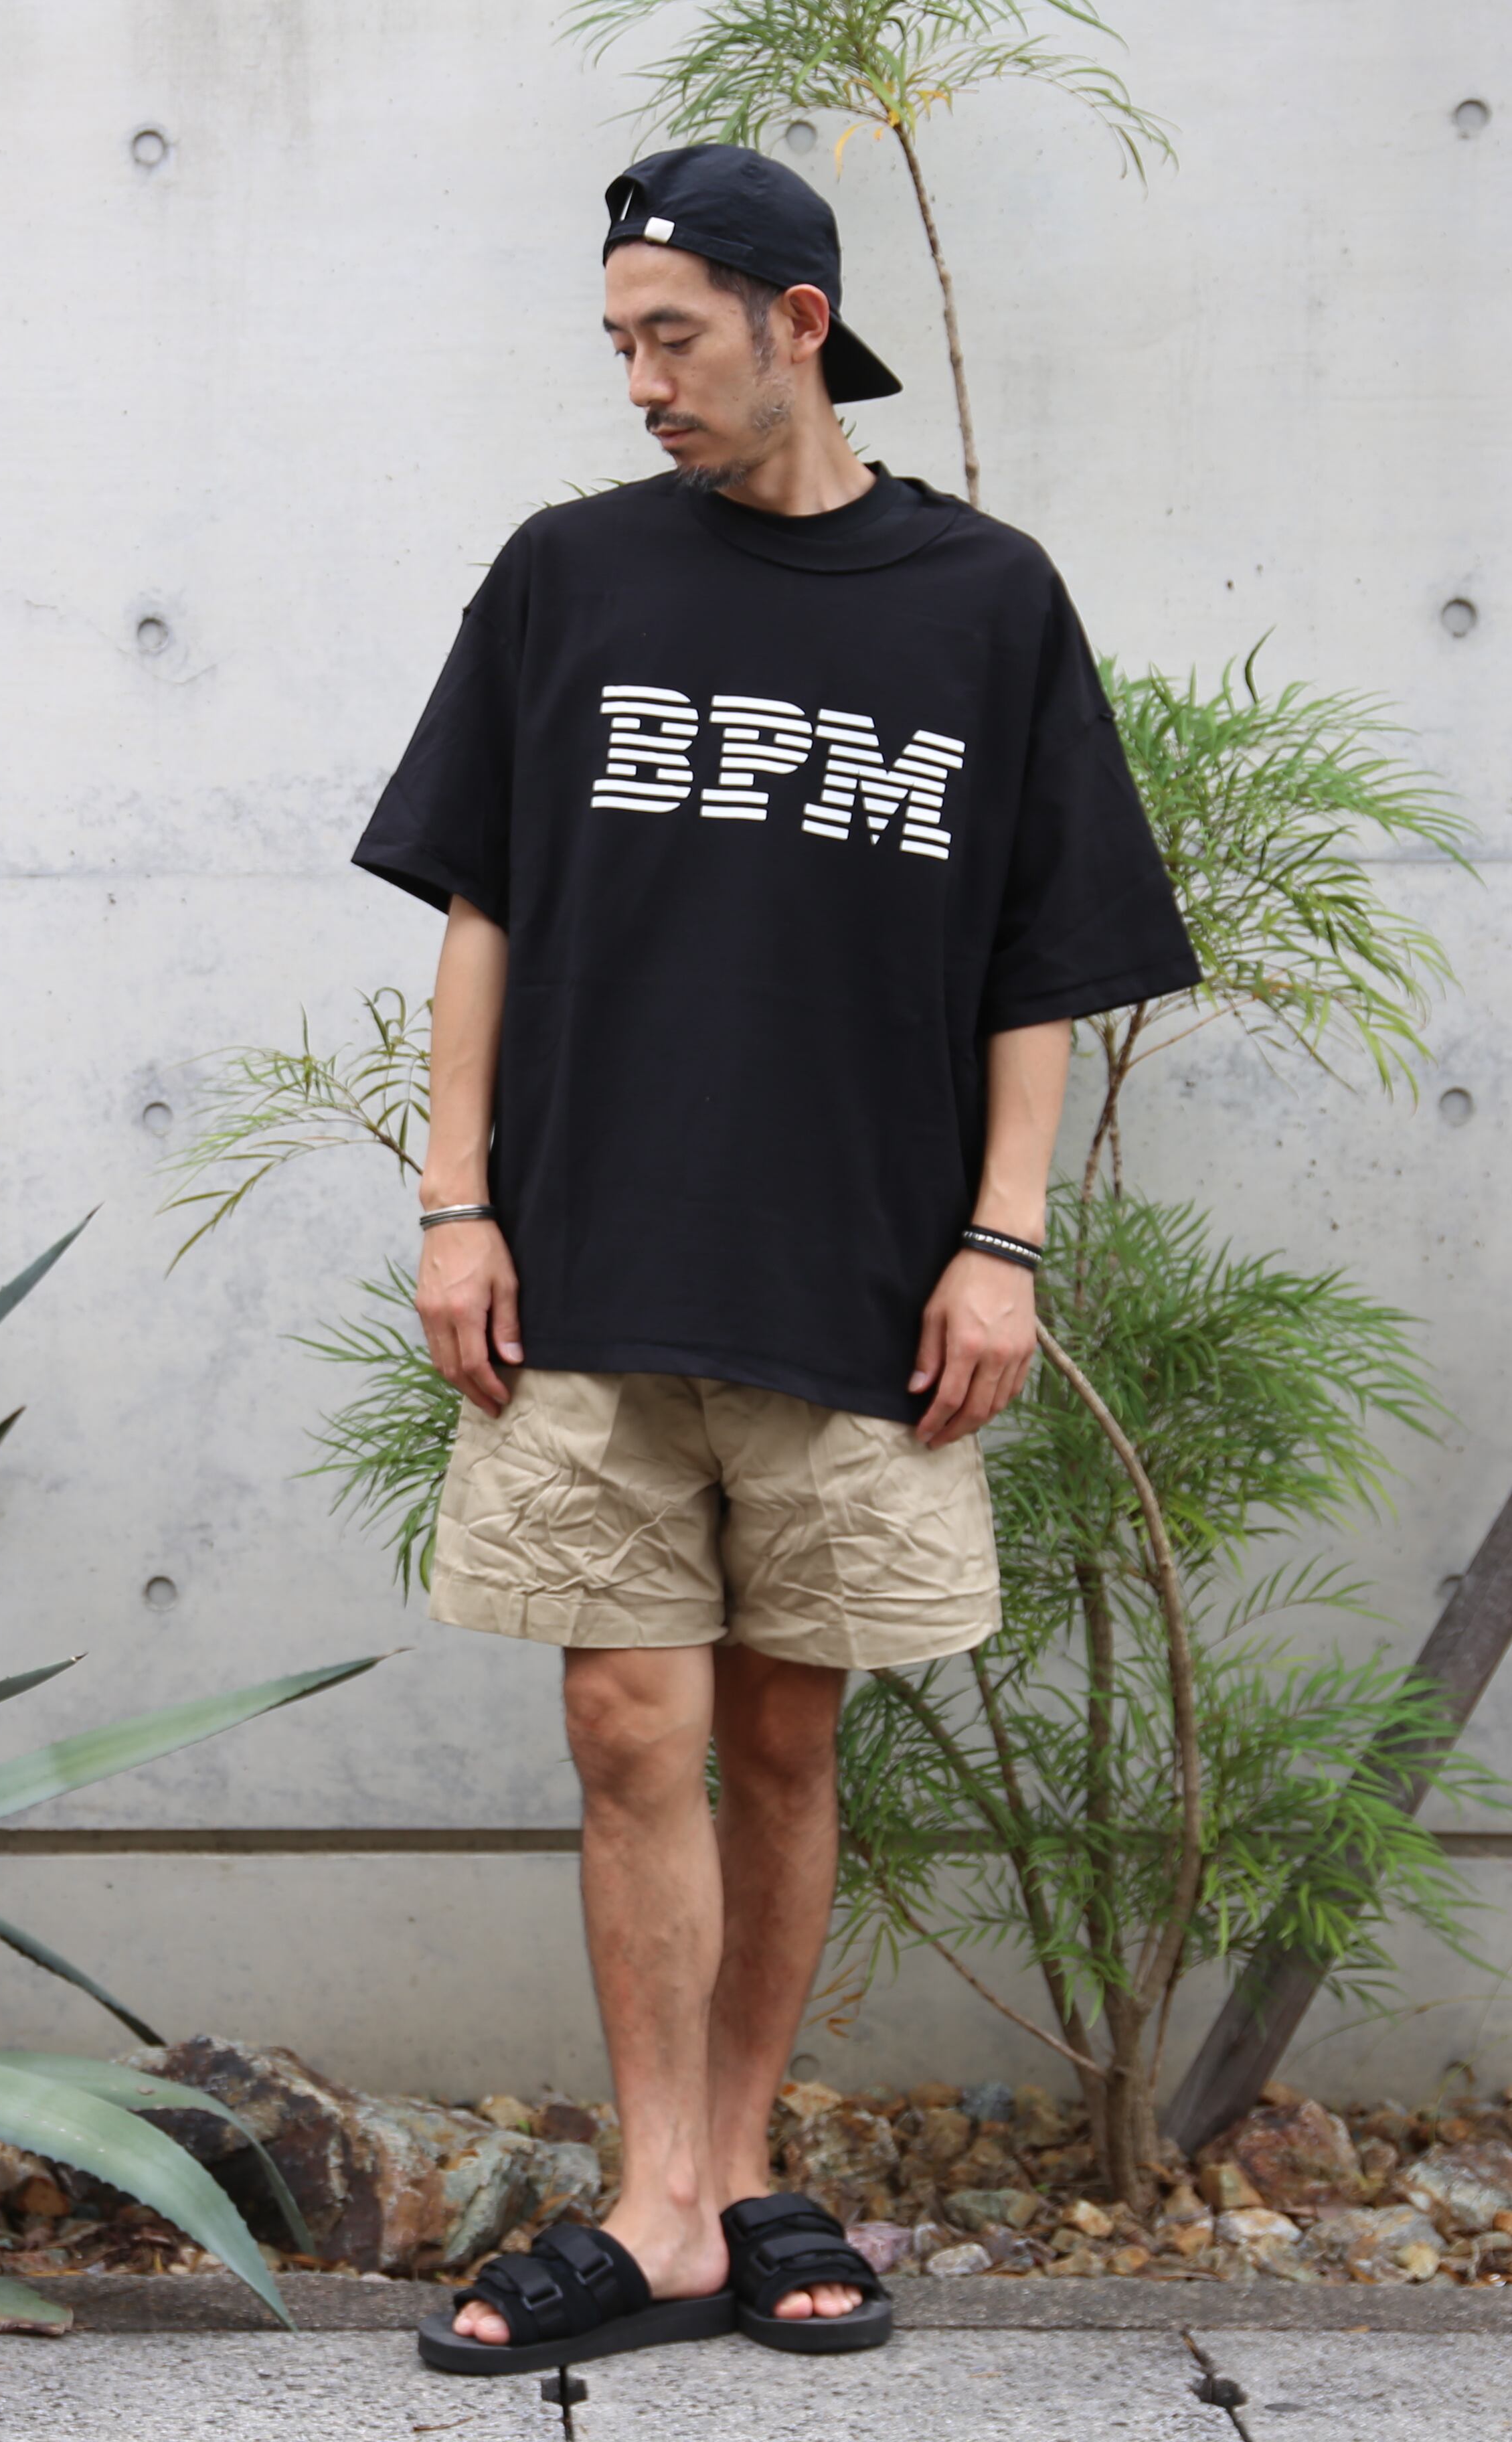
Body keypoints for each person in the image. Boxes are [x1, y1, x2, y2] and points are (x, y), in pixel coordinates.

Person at [350, 144, 1199, 2376]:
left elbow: (1040, 960)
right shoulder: (570, 577)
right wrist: (453, 1198)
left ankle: (736, 2175)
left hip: (860, 1273)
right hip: (590, 1255)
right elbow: (482, 903)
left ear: (798, 323)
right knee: (624, 1724)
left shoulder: (984, 599)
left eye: (674, 338)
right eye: (617, 343)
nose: (640, 381)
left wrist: (1003, 1244)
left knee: (788, 1738)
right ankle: (655, 2204)